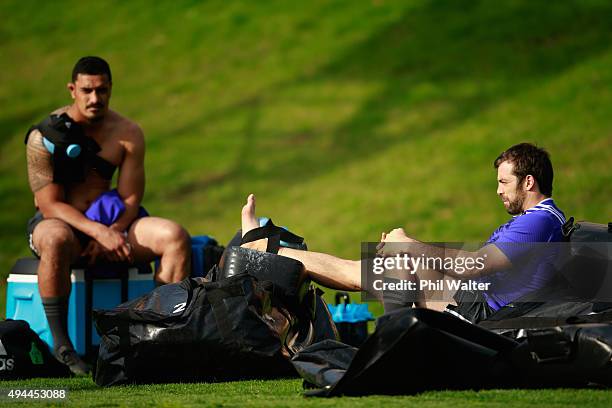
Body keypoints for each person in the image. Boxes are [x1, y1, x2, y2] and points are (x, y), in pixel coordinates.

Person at [239, 143, 566, 323]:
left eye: (503, 182)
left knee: (387, 265)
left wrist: (410, 246)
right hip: (473, 295)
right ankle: (267, 248)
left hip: (479, 309)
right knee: (374, 266)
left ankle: (264, 247)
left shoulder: (539, 221)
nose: (497, 191)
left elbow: (478, 265)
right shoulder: (537, 219)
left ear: (528, 182)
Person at [25, 56, 191, 374]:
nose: (95, 98)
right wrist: (98, 232)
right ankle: (63, 348)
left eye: (102, 90)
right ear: (72, 89)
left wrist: (112, 230)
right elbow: (49, 205)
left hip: (113, 223)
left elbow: (130, 198)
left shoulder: (128, 133)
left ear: (111, 89)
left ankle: (160, 339)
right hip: (63, 225)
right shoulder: (43, 136)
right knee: (55, 237)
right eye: (87, 90)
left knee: (174, 236)